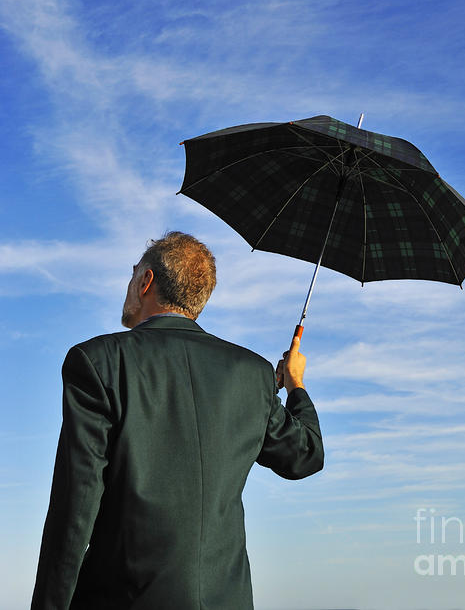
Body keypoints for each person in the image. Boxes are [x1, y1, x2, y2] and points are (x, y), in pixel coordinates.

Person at [31, 231, 323, 610]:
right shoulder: (254, 374)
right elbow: (305, 456)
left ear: (145, 281)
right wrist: (295, 384)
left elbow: (75, 507)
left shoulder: (98, 362)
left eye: (133, 273)